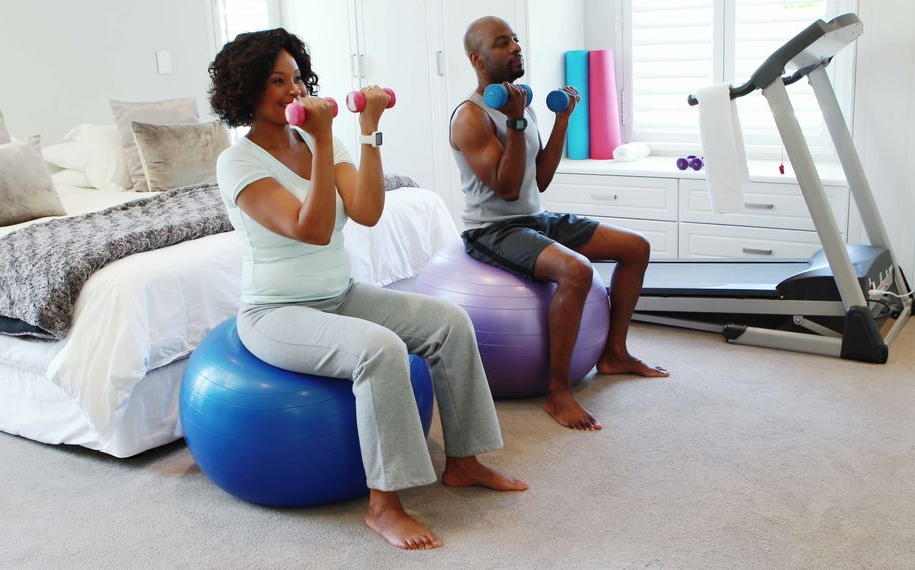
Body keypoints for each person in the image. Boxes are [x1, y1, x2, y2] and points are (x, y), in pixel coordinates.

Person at [209, 28, 527, 551]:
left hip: (341, 293)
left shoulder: (317, 142)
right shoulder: (237, 162)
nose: (292, 90)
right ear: (246, 90)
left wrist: (367, 130)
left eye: (296, 79)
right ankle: (384, 505)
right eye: (275, 81)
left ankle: (465, 462)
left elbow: (368, 211)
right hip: (276, 312)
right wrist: (323, 147)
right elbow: (310, 229)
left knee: (448, 322)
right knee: (380, 350)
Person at [449, 17, 669, 432]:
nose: (516, 47)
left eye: (515, 39)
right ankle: (557, 391)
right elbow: (509, 189)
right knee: (577, 271)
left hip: (535, 219)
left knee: (636, 247)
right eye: (502, 43)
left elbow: (540, 179)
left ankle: (614, 353)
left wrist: (562, 121)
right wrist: (514, 122)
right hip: (493, 230)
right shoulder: (470, 118)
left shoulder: (521, 104)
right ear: (478, 59)